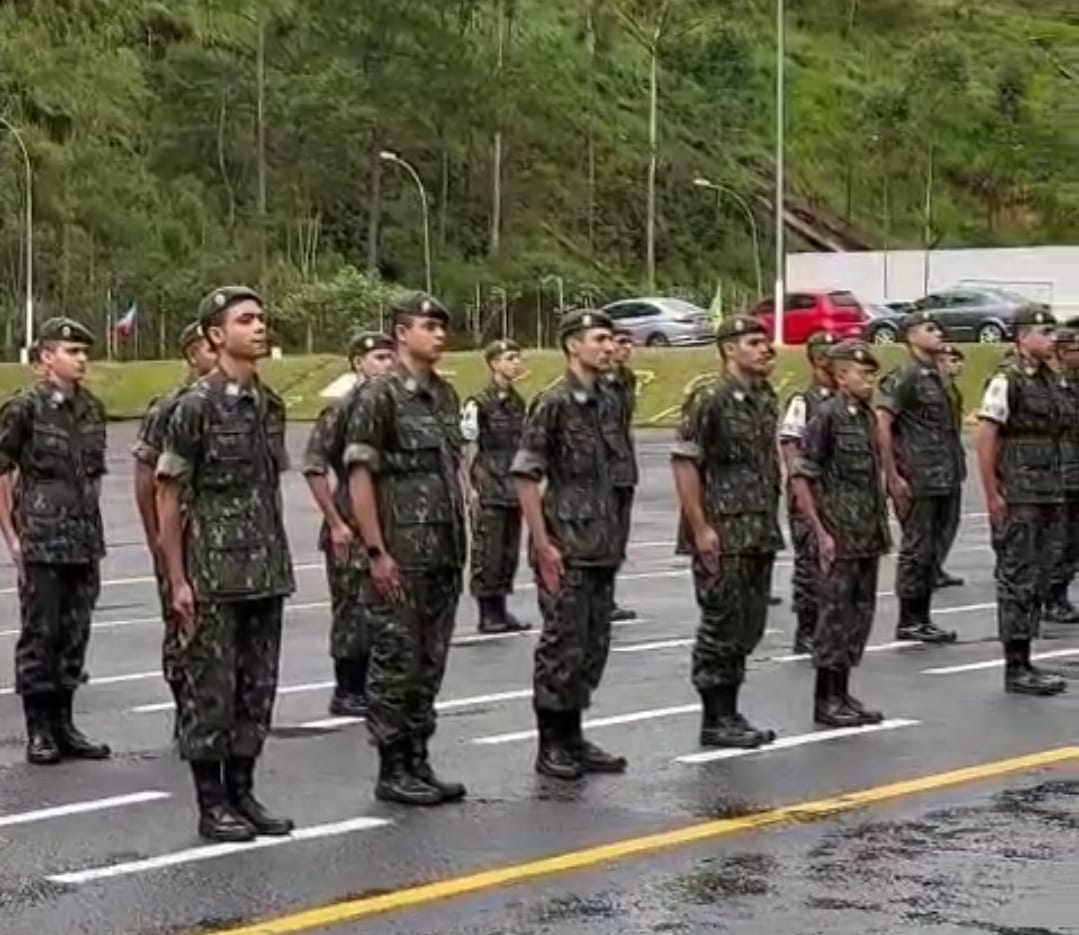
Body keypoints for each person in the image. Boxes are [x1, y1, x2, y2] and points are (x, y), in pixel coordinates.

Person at [156, 286, 295, 841]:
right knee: (210, 691)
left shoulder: (269, 404)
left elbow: (268, 487)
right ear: (217, 336)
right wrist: (177, 577)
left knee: (256, 689)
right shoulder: (194, 406)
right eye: (246, 320)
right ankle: (211, 803)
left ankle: (243, 790)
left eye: (261, 317)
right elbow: (169, 493)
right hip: (212, 571)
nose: (259, 327)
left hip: (263, 568)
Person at [344, 291, 468, 806]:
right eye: (428, 326)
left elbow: (454, 465)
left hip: (442, 550)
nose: (439, 335)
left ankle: (419, 757)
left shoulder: (444, 395)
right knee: (396, 660)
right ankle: (392, 766)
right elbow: (359, 475)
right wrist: (375, 551)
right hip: (399, 552)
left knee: (429, 661)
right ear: (401, 333)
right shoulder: (379, 396)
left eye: (443, 327)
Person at [512, 309, 627, 780]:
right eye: (598, 339)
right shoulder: (554, 402)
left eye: (609, 339)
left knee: (592, 644)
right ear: (572, 346)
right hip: (565, 541)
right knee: (562, 644)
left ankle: (575, 735)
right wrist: (542, 544)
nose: (607, 347)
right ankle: (552, 743)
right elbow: (525, 474)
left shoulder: (609, 400)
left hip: (601, 541)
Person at [0, 318, 110, 765]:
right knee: (40, 634)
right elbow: (2, 469)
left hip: (83, 540)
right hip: (42, 539)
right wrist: (12, 535)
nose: (81, 359)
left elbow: (95, 474)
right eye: (72, 351)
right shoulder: (23, 408)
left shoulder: (91, 408)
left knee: (74, 634)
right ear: (46, 357)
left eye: (84, 351)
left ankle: (65, 725)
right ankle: (39, 729)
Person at [671, 316, 782, 749]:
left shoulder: (764, 397)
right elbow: (685, 462)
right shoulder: (709, 397)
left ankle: (731, 712)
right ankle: (715, 718)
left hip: (757, 528)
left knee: (749, 625)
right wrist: (700, 527)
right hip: (722, 530)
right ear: (729, 349)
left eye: (765, 342)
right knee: (721, 623)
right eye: (754, 342)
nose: (766, 349)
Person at [791, 340, 891, 726]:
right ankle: (825, 699)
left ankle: (843, 692)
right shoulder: (826, 416)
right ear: (841, 376)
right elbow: (802, 474)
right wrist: (819, 531)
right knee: (833, 617)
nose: (870, 380)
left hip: (866, 531)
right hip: (839, 532)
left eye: (872, 374)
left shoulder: (864, 416)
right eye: (863, 373)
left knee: (858, 616)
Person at [974, 306, 1066, 696]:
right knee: (1017, 577)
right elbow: (985, 437)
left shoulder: (1051, 380)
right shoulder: (1005, 380)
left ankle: (1027, 660)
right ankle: (1016, 665)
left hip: (1049, 489)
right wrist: (993, 492)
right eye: (1044, 332)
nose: (1052, 339)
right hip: (1020, 491)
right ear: (1022, 337)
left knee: (1040, 574)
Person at [303, 331, 397, 717]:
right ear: (358, 363)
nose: (387, 364)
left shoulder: (395, 409)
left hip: (387, 522)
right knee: (351, 611)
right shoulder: (340, 411)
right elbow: (314, 467)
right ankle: (347, 689)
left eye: (390, 357)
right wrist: (335, 521)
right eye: (378, 357)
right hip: (350, 524)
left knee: (384, 609)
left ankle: (375, 683)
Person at [132, 322, 217, 725]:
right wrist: (157, 539)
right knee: (182, 623)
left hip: (227, 540)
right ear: (192, 355)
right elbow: (147, 476)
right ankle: (186, 708)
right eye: (208, 349)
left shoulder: (249, 403)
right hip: (181, 533)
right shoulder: (171, 407)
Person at [875, 310, 960, 644]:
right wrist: (893, 475)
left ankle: (923, 617)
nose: (938, 333)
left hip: (945, 475)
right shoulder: (906, 376)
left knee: (933, 550)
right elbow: (882, 422)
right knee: (917, 549)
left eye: (938, 327)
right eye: (929, 328)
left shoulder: (937, 376)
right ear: (910, 336)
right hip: (919, 476)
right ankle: (910, 618)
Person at [460, 339, 531, 634]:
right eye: (510, 358)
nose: (516, 363)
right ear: (494, 363)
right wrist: (469, 488)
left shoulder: (517, 401)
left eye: (518, 358)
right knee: (487, 550)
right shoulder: (478, 402)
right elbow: (465, 446)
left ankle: (501, 609)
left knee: (508, 550)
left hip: (512, 482)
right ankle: (488, 613)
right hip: (489, 481)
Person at [778, 331, 837, 654]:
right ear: (817, 359)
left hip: (838, 493)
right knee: (810, 564)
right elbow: (790, 446)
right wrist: (801, 487)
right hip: (810, 492)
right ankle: (806, 630)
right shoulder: (803, 401)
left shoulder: (844, 401)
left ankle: (829, 627)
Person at [605, 327, 639, 622]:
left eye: (629, 343)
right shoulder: (598, 382)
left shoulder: (627, 379)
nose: (626, 348)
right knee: (601, 537)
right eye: (620, 342)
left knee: (618, 539)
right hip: (603, 471)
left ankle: (608, 597)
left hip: (624, 467)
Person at [1046, 328, 1079, 623]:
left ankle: (1060, 592)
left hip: (1074, 473)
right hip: (1055, 474)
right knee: (1057, 539)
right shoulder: (1050, 385)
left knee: (1072, 540)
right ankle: (1051, 597)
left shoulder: (1074, 385)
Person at [935, 344, 966, 589]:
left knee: (950, 520)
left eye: (957, 361)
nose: (955, 365)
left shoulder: (952, 391)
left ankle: (937, 565)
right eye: (949, 360)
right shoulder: (927, 387)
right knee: (931, 524)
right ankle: (928, 570)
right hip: (932, 467)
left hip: (952, 463)